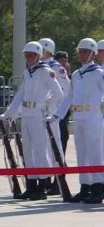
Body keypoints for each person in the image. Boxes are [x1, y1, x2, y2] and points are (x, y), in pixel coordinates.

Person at [1, 42, 63, 200]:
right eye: (26, 55)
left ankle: (42, 187)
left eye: (31, 55)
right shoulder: (28, 72)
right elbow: (20, 96)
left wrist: (45, 105)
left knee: (40, 151)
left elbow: (58, 94)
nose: (28, 58)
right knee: (28, 151)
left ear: (38, 55)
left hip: (38, 115)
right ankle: (31, 185)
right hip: (27, 115)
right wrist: (8, 114)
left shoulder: (45, 71)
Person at [51, 38, 104, 204]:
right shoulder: (76, 74)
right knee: (82, 153)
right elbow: (69, 97)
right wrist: (56, 116)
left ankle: (98, 188)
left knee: (95, 153)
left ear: (93, 53)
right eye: (80, 51)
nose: (82, 54)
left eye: (85, 51)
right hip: (79, 117)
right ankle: (85, 187)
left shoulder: (99, 73)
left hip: (94, 117)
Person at [39, 38, 72, 194]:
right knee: (45, 148)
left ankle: (58, 181)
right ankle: (46, 180)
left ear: (47, 50)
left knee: (56, 148)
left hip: (56, 113)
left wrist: (61, 113)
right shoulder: (41, 68)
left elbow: (67, 90)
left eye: (41, 50)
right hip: (44, 113)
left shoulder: (57, 68)